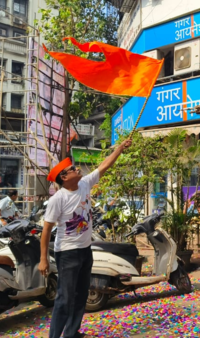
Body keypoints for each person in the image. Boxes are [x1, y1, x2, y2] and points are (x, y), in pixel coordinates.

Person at [39, 139, 131, 338]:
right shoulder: (58, 199)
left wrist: (120, 148)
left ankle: (71, 333)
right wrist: (43, 259)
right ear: (64, 177)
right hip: (67, 254)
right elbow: (46, 230)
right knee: (64, 297)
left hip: (85, 250)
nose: (77, 168)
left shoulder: (84, 184)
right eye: (72, 168)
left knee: (81, 295)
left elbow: (104, 165)